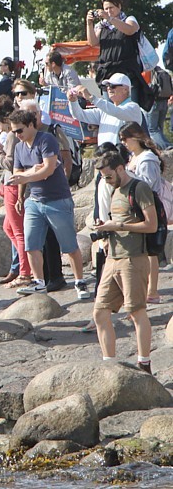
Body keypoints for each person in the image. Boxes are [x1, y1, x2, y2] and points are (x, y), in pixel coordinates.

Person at [7, 110, 90, 299]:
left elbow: (48, 170)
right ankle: (39, 281)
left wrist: (30, 174)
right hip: (34, 201)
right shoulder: (19, 148)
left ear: (30, 125)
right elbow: (16, 175)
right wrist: (24, 187)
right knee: (31, 244)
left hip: (57, 200)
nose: (17, 135)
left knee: (69, 245)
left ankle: (80, 281)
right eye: (14, 132)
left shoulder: (46, 140)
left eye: (19, 130)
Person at [91, 149, 157, 374]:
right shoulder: (113, 190)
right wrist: (105, 226)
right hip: (112, 258)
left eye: (108, 176)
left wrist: (117, 226)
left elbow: (151, 225)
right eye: (102, 177)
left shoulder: (140, 188)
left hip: (133, 259)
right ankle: (109, 365)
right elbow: (117, 219)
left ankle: (144, 364)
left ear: (120, 168)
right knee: (100, 312)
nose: (106, 181)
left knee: (136, 312)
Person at [119, 122, 167, 304]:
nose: (123, 142)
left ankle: (152, 290)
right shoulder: (134, 156)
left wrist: (128, 176)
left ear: (136, 137)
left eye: (125, 138)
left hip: (149, 205)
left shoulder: (147, 159)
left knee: (152, 251)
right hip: (138, 206)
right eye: (121, 139)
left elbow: (149, 183)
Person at [0, 95, 32, 288]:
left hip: (14, 185)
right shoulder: (14, 134)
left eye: (0, 125)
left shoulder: (12, 135)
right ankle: (24, 265)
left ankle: (25, 272)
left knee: (18, 232)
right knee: (9, 228)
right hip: (10, 185)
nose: (0, 129)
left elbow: (10, 163)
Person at [85, 0, 151, 107]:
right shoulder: (102, 25)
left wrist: (110, 19)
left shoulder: (129, 19)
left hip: (127, 72)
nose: (109, 11)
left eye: (111, 8)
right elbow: (92, 42)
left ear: (119, 6)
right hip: (107, 72)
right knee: (110, 110)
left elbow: (130, 30)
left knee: (130, 109)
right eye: (106, 9)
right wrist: (89, 24)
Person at [68, 73, 142, 145]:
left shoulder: (133, 107)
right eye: (107, 85)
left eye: (113, 86)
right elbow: (79, 115)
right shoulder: (105, 110)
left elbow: (116, 112)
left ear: (125, 89)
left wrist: (90, 97)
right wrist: (73, 101)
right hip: (105, 155)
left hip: (123, 156)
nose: (109, 88)